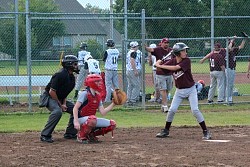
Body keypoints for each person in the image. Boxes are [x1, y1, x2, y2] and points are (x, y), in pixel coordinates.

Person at [155, 42, 211, 140]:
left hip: (191, 89)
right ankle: (166, 130)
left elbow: (176, 68)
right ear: (177, 53)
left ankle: (206, 131)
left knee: (195, 110)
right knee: (172, 110)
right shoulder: (172, 61)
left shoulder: (187, 61)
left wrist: (161, 65)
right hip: (179, 91)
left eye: (185, 50)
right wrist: (158, 64)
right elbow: (161, 71)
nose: (185, 52)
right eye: (183, 51)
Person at [40, 55, 79, 143]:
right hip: (49, 97)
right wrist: (60, 104)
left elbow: (64, 92)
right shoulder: (59, 75)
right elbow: (51, 92)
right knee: (57, 111)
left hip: (59, 98)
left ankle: (70, 133)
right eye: (75, 64)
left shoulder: (72, 77)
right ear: (69, 64)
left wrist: (64, 103)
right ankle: (45, 135)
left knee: (76, 110)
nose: (77, 66)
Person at [73, 74, 116, 144]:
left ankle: (91, 135)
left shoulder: (98, 96)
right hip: (80, 119)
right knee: (92, 119)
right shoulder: (85, 93)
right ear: (91, 82)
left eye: (100, 81)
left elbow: (103, 112)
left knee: (112, 124)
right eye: (97, 81)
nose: (100, 83)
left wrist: (113, 104)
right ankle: (81, 135)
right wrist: (76, 121)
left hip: (91, 119)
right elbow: (75, 108)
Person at [145, 38, 173, 112]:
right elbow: (150, 50)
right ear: (161, 43)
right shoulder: (158, 49)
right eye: (165, 42)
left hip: (169, 73)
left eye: (167, 42)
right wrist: (145, 47)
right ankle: (165, 105)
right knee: (163, 89)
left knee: (168, 89)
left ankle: (163, 104)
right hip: (160, 73)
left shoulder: (171, 50)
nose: (166, 44)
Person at [225, 36, 246, 102]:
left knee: (231, 84)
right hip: (228, 68)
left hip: (233, 69)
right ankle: (227, 99)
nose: (232, 47)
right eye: (232, 46)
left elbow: (241, 46)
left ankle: (230, 99)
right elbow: (228, 48)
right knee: (228, 84)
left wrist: (244, 39)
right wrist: (232, 40)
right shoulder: (227, 50)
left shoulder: (234, 50)